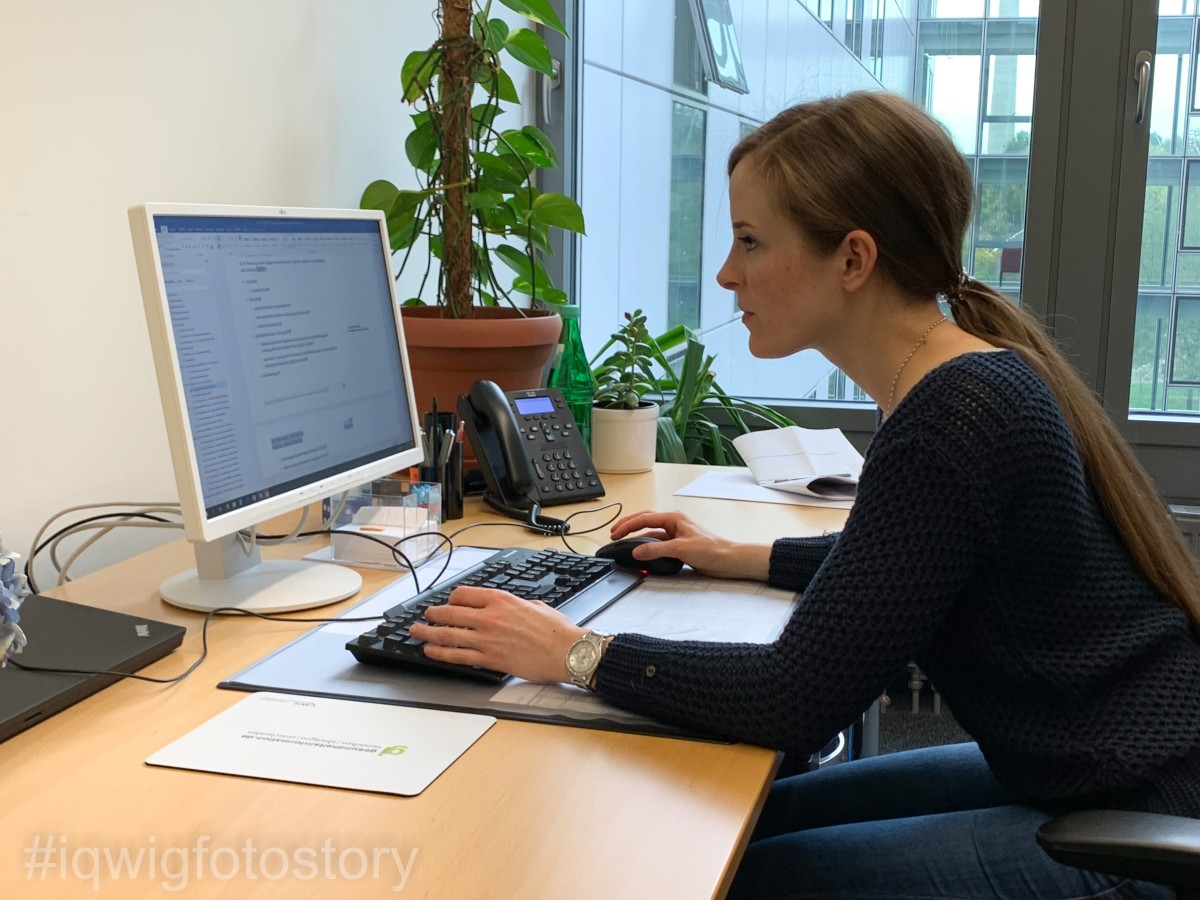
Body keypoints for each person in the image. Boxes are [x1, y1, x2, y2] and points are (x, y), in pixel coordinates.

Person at [410, 91, 1200, 898]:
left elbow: (791, 700)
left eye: (751, 242)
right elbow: (906, 560)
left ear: (854, 259)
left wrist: (570, 653)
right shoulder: (964, 377)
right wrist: (738, 556)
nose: (725, 272)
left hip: (1136, 824)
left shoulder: (954, 416)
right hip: (1103, 767)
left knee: (725, 875)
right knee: (763, 817)